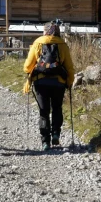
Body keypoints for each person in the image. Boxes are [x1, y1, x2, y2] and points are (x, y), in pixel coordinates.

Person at [23, 21, 76, 150]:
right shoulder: (62, 44)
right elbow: (69, 67)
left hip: (41, 82)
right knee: (57, 108)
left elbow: (27, 67)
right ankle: (56, 133)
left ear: (45, 31)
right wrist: (69, 81)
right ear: (57, 32)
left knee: (44, 111)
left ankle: (45, 141)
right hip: (59, 82)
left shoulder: (38, 43)